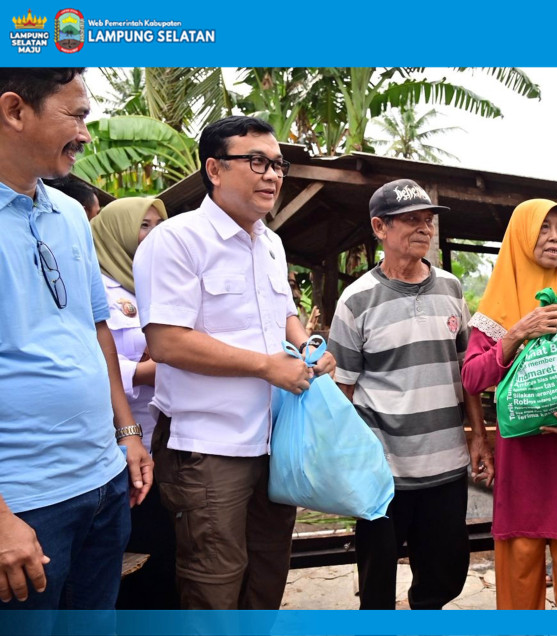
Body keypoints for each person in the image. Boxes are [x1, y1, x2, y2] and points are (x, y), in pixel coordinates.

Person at [134, 115, 335, 609]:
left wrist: (309, 349)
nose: (272, 175)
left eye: (278, 165)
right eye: (257, 162)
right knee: (215, 581)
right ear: (215, 169)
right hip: (210, 446)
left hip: (275, 441)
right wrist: (266, 366)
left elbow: (284, 314)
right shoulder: (177, 240)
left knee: (268, 574)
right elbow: (168, 342)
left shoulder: (270, 243)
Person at [0, 67, 153, 610]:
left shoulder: (68, 213)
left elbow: (96, 329)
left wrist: (127, 432)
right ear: (14, 111)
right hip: (24, 503)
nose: (86, 134)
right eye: (77, 115)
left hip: (103, 481)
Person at [327, 178, 492, 610]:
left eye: (428, 220)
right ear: (380, 227)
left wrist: (478, 435)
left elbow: (467, 373)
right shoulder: (356, 301)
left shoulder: (451, 289)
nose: (424, 228)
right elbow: (342, 391)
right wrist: (348, 463)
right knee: (377, 583)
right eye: (411, 220)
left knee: (441, 578)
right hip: (383, 472)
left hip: (446, 465)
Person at [462, 199, 557, 610]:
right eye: (544, 228)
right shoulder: (498, 305)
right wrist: (516, 333)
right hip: (524, 458)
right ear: (521, 235)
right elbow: (472, 378)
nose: (555, 237)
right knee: (520, 568)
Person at [89, 197, 179, 609]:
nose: (154, 234)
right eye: (144, 225)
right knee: (123, 558)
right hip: (115, 444)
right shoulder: (98, 290)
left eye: (160, 224)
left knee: (162, 557)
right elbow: (94, 359)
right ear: (116, 233)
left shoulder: (163, 286)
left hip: (164, 440)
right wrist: (146, 370)